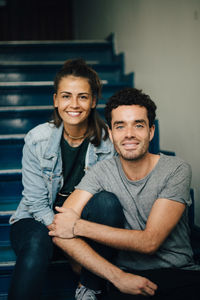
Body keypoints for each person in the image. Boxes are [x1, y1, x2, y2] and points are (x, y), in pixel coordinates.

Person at [49, 87, 200, 300]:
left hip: (179, 274)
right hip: (127, 279)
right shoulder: (102, 171)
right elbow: (59, 229)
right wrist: (117, 276)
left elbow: (150, 242)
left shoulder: (176, 169)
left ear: (151, 131)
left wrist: (78, 226)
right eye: (120, 126)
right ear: (111, 134)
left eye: (138, 125)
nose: (129, 134)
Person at [8, 59, 121, 300]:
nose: (74, 104)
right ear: (56, 100)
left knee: (108, 202)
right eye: (66, 96)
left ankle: (89, 287)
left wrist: (76, 232)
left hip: (83, 225)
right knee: (37, 242)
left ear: (93, 101)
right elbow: (36, 205)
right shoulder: (36, 139)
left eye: (82, 97)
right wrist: (72, 246)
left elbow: (106, 202)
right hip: (36, 221)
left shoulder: (107, 143)